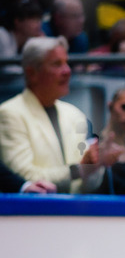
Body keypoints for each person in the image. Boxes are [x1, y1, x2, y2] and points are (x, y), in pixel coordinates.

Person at [0, 36, 91, 192]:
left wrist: (98, 166)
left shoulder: (75, 114)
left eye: (66, 63)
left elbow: (87, 184)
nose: (67, 71)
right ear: (32, 73)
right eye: (57, 64)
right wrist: (79, 170)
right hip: (33, 213)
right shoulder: (9, 113)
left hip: (76, 212)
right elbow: (24, 177)